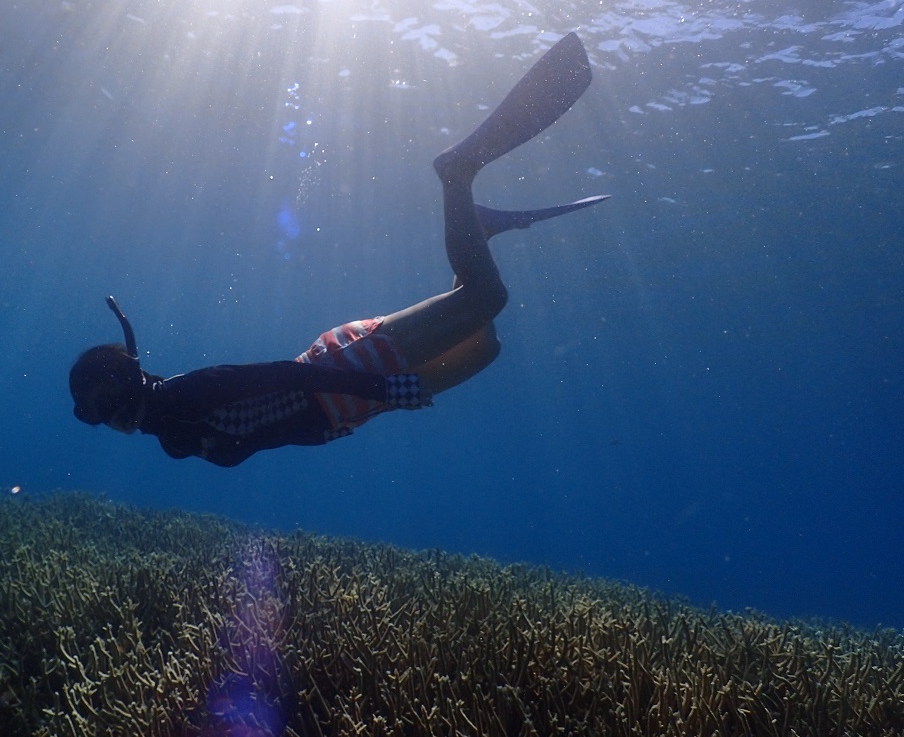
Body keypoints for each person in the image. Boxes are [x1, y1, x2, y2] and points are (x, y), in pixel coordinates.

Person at [70, 32, 609, 467]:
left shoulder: (181, 398)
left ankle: (457, 176)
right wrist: (375, 394)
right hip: (350, 402)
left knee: (488, 296)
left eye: (99, 403)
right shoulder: (170, 428)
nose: (103, 419)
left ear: (121, 385)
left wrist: (379, 385)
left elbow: (285, 375)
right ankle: (475, 227)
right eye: (91, 414)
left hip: (351, 371)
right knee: (484, 345)